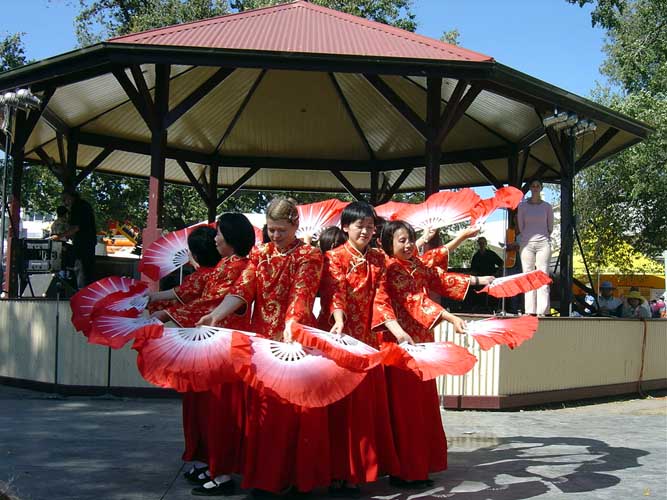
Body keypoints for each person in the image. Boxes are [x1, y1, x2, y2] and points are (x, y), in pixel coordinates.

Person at [207, 197, 329, 497]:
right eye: (271, 229)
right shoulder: (260, 254)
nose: (275, 235)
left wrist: (292, 325)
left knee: (291, 413)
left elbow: (302, 293)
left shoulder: (309, 255)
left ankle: (295, 478)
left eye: (281, 230)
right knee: (264, 414)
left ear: (295, 226)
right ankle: (266, 478)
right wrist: (217, 314)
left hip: (295, 342)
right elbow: (243, 288)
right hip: (262, 341)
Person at [143, 216, 256, 497]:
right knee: (206, 412)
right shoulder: (226, 266)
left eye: (220, 234)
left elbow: (211, 302)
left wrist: (167, 313)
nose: (215, 238)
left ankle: (222, 473)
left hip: (223, 351)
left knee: (219, 414)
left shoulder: (241, 267)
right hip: (210, 347)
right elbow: (203, 298)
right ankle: (212, 465)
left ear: (231, 238)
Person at [318, 201, 404, 496]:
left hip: (366, 343)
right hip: (338, 339)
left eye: (370, 226)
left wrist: (397, 331)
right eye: (360, 226)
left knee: (361, 411)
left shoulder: (378, 259)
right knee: (338, 409)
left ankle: (355, 472)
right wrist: (339, 318)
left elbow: (381, 298)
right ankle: (334, 472)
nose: (366, 231)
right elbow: (335, 292)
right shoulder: (333, 257)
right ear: (345, 227)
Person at [378, 220, 472, 487]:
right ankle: (406, 470)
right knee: (406, 409)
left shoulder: (415, 264)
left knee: (423, 406)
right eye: (402, 241)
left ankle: (420, 466)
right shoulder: (391, 268)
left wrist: (477, 279)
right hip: (400, 347)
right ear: (388, 244)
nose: (409, 245)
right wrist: (449, 317)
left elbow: (438, 269)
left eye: (411, 239)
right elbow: (415, 300)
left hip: (422, 345)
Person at [147, 226, 221, 323]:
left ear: (195, 255)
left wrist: (157, 299)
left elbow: (183, 292)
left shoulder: (199, 276)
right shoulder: (224, 268)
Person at [517, 179, 553, 316]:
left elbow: (550, 227)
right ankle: (530, 310)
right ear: (530, 188)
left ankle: (543, 311)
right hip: (527, 244)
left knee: (543, 275)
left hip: (543, 243)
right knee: (528, 276)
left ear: (541, 188)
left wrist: (542, 236)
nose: (535, 188)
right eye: (533, 186)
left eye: (538, 186)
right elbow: (521, 226)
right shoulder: (522, 207)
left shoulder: (547, 207)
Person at [60, 189, 97, 288]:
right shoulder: (84, 205)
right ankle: (86, 291)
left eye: (64, 199)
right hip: (88, 242)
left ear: (71, 197)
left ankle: (82, 291)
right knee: (87, 271)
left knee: (81, 270)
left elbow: (75, 228)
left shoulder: (77, 207)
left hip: (83, 244)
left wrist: (60, 236)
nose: (64, 202)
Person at [470, 236, 504, 312]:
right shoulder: (476, 256)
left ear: (485, 243)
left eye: (483, 243)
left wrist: (497, 273)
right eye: (480, 243)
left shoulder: (491, 254)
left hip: (491, 278)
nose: (481, 244)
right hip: (480, 280)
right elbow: (473, 270)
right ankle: (479, 307)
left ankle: (493, 307)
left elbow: (501, 263)